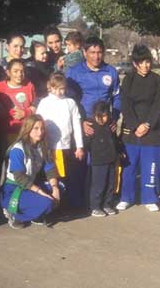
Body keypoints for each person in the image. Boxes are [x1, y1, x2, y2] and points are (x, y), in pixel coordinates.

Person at [65, 37, 121, 208]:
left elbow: (117, 97)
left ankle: (100, 201)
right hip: (83, 124)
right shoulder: (74, 72)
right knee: (80, 164)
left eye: (99, 52)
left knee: (103, 165)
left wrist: (114, 118)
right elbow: (69, 100)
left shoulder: (110, 71)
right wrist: (80, 123)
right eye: (92, 53)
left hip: (104, 125)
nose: (96, 57)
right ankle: (77, 203)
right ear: (84, 53)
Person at [117, 45, 160, 212]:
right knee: (128, 168)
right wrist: (134, 125)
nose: (146, 65)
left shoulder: (157, 80)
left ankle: (150, 198)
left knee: (151, 167)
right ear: (135, 63)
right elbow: (126, 105)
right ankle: (126, 197)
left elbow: (158, 105)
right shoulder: (128, 80)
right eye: (142, 62)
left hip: (151, 132)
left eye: (148, 62)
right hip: (131, 131)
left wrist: (147, 124)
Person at [1, 115, 62, 229]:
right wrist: (41, 192)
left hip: (30, 186)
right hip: (14, 188)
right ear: (28, 129)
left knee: (61, 187)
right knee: (47, 202)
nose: (40, 132)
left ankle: (35, 213)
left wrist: (55, 188)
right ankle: (15, 215)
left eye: (42, 128)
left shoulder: (42, 146)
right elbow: (20, 178)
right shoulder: (18, 149)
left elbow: (50, 169)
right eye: (36, 128)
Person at [0, 59, 37, 208]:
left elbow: (35, 107)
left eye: (22, 71)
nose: (19, 74)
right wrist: (11, 112)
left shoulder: (29, 85)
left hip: (22, 134)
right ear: (8, 72)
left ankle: (11, 196)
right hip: (3, 133)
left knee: (16, 167)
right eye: (16, 71)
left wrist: (25, 112)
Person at [35, 74, 85, 208]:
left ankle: (65, 204)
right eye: (56, 88)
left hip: (65, 147)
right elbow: (38, 122)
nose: (59, 92)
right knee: (50, 176)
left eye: (62, 89)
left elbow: (76, 125)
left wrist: (79, 146)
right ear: (50, 87)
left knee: (65, 176)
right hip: (48, 147)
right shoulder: (45, 102)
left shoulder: (70, 102)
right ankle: (48, 203)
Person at [84, 102, 123, 217]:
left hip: (111, 159)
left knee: (110, 184)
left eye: (106, 115)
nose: (104, 119)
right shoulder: (91, 126)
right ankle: (95, 206)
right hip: (98, 161)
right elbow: (86, 143)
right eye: (100, 116)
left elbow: (115, 140)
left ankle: (107, 204)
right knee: (98, 185)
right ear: (95, 115)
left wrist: (120, 151)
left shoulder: (111, 124)